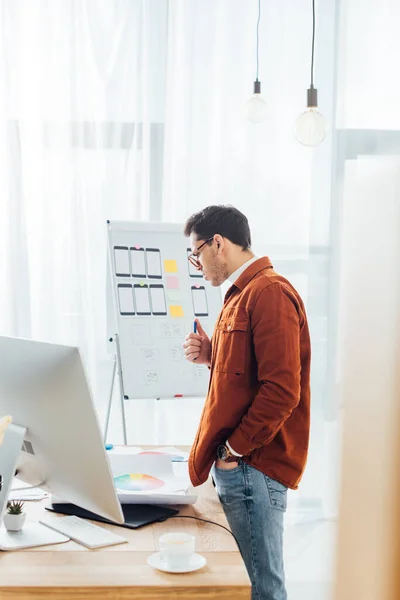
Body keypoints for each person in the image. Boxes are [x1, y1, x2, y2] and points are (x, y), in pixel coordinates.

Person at [183, 205, 311, 600]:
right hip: (241, 463)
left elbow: (281, 390)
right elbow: (246, 376)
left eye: (197, 253)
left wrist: (232, 450)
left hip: (253, 464)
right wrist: (211, 355)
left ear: (218, 243)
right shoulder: (241, 294)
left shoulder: (268, 292)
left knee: (261, 588)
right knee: (243, 585)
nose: (197, 263)